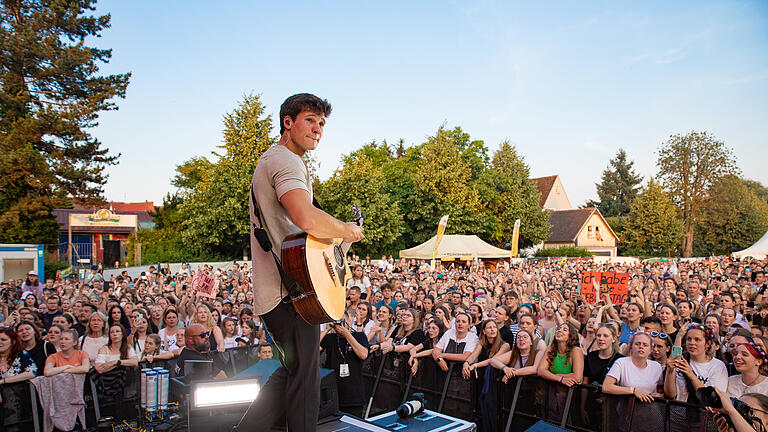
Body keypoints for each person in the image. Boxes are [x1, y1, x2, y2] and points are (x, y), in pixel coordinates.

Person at [238, 93, 363, 432]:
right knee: (305, 377)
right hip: (290, 291)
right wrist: (348, 231)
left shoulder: (280, 161)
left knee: (294, 370)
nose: (318, 128)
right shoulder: (285, 161)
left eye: (322, 123)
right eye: (310, 120)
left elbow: (301, 232)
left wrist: (335, 240)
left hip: (283, 291)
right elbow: (306, 219)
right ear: (288, 122)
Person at [320, 321, 369, 417]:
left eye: (342, 322)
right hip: (334, 395)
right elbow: (313, 350)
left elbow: (363, 354)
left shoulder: (359, 336)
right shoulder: (330, 338)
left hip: (354, 395)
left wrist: (347, 333)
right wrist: (327, 330)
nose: (339, 325)